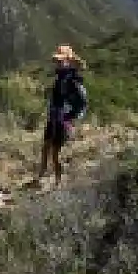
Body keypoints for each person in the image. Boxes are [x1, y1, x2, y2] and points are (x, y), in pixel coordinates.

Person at [37, 44, 89, 186]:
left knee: (55, 152)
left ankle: (58, 183)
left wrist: (71, 118)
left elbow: (82, 102)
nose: (57, 63)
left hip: (63, 118)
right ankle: (41, 176)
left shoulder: (72, 78)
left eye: (61, 60)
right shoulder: (61, 75)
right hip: (54, 115)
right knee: (46, 146)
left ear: (68, 61)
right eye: (57, 61)